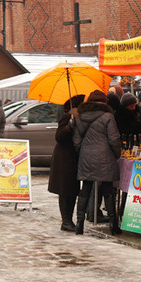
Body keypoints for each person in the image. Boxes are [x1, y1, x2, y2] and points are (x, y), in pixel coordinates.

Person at [73, 90, 122, 235]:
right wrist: (116, 154)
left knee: (85, 190)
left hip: (86, 156)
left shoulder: (79, 116)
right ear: (104, 102)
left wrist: (82, 152)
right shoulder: (108, 116)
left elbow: (76, 141)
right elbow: (114, 139)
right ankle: (114, 225)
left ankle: (79, 225)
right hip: (105, 157)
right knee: (108, 190)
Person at [48, 94, 85, 232]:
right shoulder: (67, 118)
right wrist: (69, 126)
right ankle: (66, 221)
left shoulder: (79, 118)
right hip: (64, 159)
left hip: (73, 158)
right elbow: (59, 137)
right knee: (65, 190)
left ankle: (68, 220)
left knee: (72, 189)